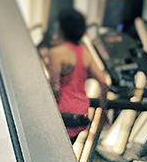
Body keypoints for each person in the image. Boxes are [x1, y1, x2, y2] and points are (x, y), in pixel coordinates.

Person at [47, 8, 109, 144]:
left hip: (63, 114)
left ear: (62, 28)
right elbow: (104, 81)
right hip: (81, 114)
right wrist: (103, 110)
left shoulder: (56, 53)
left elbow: (55, 87)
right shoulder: (85, 53)